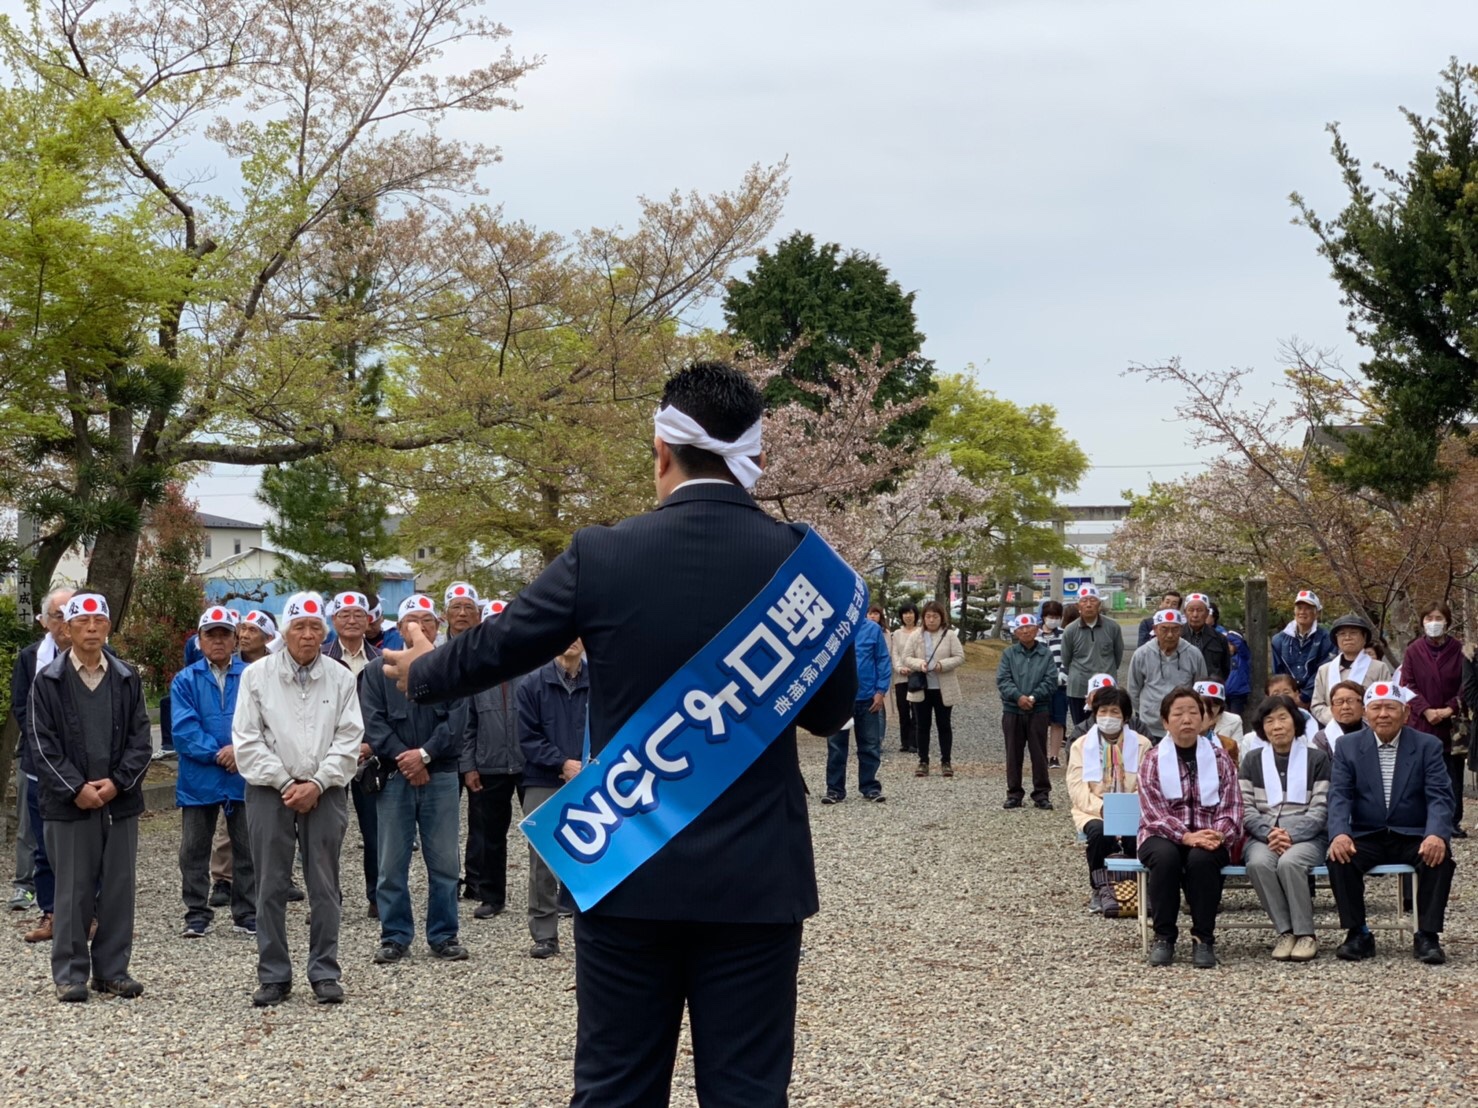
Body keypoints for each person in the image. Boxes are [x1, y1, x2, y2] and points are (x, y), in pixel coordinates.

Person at [383, 361, 857, 1105]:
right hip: (757, 877)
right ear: (754, 454)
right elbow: (829, 715)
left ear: (661, 450)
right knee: (748, 1093)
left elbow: (503, 644)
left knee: (616, 1088)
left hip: (626, 858)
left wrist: (423, 670)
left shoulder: (603, 554)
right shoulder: (805, 569)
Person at [233, 591, 362, 1006]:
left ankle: (324, 971)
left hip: (326, 790)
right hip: (269, 790)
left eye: (315, 627)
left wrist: (318, 783)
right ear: (284, 632)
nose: (307, 635)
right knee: (270, 883)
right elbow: (247, 739)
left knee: (324, 884)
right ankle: (274, 974)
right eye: (299, 627)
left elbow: (349, 738)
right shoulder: (257, 675)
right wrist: (285, 781)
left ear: (324, 632)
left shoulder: (340, 677)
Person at [29, 592, 151, 1002]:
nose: (92, 628)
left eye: (99, 620)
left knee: (118, 887)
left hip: (119, 799)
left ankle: (112, 970)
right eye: (83, 621)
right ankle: (70, 973)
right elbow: (41, 743)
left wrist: (117, 783)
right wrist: (75, 788)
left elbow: (141, 740)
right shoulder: (48, 680)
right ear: (67, 628)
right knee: (72, 890)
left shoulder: (127, 677)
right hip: (69, 804)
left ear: (109, 626)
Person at [361, 594, 467, 965]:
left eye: (428, 621)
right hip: (394, 776)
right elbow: (373, 722)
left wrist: (424, 755)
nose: (421, 627)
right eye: (413, 621)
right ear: (400, 627)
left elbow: (457, 721)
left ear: (438, 626)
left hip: (440, 774)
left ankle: (444, 934)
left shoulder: (452, 668)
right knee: (391, 863)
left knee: (445, 863)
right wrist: (406, 759)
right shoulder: (377, 671)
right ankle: (394, 935)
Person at [1326, 682, 1455, 964]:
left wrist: (1436, 834)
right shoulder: (1347, 746)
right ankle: (1358, 933)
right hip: (1368, 834)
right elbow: (1339, 796)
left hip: (1412, 834)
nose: (1383, 714)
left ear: (1406, 713)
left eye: (1390, 708)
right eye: (1376, 708)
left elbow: (1440, 797)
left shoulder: (1427, 746)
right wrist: (1339, 833)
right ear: (1366, 713)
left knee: (1439, 857)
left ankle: (1427, 935)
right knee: (1339, 857)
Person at [1136, 687, 1243, 968]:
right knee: (1165, 857)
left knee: (1202, 859)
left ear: (1205, 719)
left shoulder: (1220, 758)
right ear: (1165, 721)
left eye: (1194, 712)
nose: (1187, 719)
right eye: (1178, 714)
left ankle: (1203, 938)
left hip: (1209, 833)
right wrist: (1185, 836)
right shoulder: (1153, 759)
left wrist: (1219, 833)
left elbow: (1232, 806)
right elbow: (1153, 811)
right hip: (1162, 834)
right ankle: (1164, 937)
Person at [172, 606, 256, 938]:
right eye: (211, 634)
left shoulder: (253, 675)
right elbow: (183, 730)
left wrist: (241, 751)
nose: (218, 641)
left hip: (244, 773)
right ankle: (196, 913)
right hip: (199, 776)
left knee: (248, 847)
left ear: (236, 639)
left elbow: (263, 721)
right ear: (199, 639)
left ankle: (247, 912)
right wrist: (220, 754)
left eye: (225, 634)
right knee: (193, 849)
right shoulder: (185, 679)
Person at [1239, 694, 1331, 962]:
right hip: (1263, 836)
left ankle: (1306, 934)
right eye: (1269, 721)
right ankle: (1286, 931)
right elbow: (1245, 807)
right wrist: (1269, 833)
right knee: (1258, 863)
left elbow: (1320, 809)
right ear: (1262, 727)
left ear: (1296, 722)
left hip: (1308, 837)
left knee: (1290, 863)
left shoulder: (1317, 759)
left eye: (1283, 718)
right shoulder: (1252, 760)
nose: (1277, 726)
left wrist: (1291, 835)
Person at [516, 639, 590, 959]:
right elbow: (526, 737)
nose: (571, 641)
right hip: (543, 778)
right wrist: (561, 763)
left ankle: (592, 932)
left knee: (592, 853)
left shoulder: (600, 681)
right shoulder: (532, 684)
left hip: (590, 778)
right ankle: (544, 934)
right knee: (542, 859)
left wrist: (588, 764)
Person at [10, 586, 72, 942]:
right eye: (57, 616)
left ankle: (90, 912)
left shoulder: (103, 656)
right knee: (44, 842)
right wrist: (44, 742)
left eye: (70, 614)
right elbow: (21, 706)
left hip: (85, 764)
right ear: (45, 621)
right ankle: (50, 912)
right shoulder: (30, 657)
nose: (65, 623)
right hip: (39, 760)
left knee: (89, 843)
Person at [458, 601, 526, 920]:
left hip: (529, 764)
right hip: (489, 765)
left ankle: (555, 894)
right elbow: (468, 725)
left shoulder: (532, 667)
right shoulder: (477, 673)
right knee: (490, 835)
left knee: (543, 831)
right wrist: (469, 765)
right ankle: (491, 895)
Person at [1066, 688, 1150, 916]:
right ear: (1095, 713)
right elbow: (1076, 787)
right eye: (1103, 711)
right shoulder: (1081, 745)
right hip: (1093, 808)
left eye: (1115, 712)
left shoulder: (1142, 744)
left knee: (1137, 835)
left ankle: (1138, 886)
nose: (1108, 717)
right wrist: (1102, 808)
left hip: (1133, 807)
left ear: (1125, 716)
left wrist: (1125, 810)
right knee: (1099, 833)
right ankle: (1099, 886)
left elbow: (1146, 783)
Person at [324, 589, 382, 917]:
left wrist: (371, 743)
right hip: (329, 756)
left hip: (370, 756)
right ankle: (327, 896)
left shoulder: (381, 659)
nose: (351, 620)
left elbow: (387, 709)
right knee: (327, 832)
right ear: (334, 620)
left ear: (369, 620)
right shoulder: (321, 657)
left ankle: (378, 896)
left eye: (358, 614)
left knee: (375, 831)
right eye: (344, 614)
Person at [1399, 602, 1467, 837]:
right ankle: (1421, 817)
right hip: (1422, 721)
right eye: (1429, 618)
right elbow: (1407, 684)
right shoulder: (1413, 650)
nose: (1434, 623)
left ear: (1447, 621)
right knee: (1420, 769)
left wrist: (1450, 708)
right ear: (1422, 622)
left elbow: (1466, 684)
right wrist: (1426, 709)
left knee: (1453, 772)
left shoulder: (1460, 650)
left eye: (1438, 618)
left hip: (1452, 723)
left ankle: (1453, 820)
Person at [824, 604, 891, 804]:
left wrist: (881, 691)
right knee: (836, 747)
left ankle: (870, 787)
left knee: (870, 745)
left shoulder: (872, 628)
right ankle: (834, 789)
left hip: (867, 697)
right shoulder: (831, 627)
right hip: (838, 699)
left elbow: (882, 659)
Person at [997, 612, 1056, 810]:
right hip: (1012, 709)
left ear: (1037, 629)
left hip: (1038, 709)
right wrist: (1018, 697)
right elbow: (1003, 679)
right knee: (1013, 753)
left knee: (1039, 753)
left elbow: (1050, 680)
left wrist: (1033, 697)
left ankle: (1041, 793)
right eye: (1020, 628)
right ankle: (1014, 793)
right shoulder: (1009, 653)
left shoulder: (1046, 654)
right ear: (1015, 632)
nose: (1025, 631)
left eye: (1029, 627)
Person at [904, 599, 965, 777]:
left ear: (941, 617)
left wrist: (942, 665)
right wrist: (919, 664)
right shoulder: (916, 635)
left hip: (943, 687)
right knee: (922, 725)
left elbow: (959, 656)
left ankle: (946, 761)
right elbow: (906, 657)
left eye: (935, 616)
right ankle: (923, 761)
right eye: (928, 616)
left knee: (944, 725)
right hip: (921, 686)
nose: (931, 620)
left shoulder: (949, 635)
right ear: (923, 618)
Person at [1126, 609, 1207, 742]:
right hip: (1149, 725)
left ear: (1181, 630)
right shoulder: (1141, 654)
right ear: (1155, 629)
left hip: (1183, 725)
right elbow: (1133, 689)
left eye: (1175, 629)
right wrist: (1146, 710)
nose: (1170, 635)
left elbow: (1200, 690)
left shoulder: (1194, 654)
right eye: (1164, 629)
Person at [1310, 614, 1394, 725]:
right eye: (1342, 634)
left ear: (1364, 637)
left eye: (1353, 633)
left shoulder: (1379, 668)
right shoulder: (1324, 670)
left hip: (1368, 727)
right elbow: (1317, 704)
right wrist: (1337, 717)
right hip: (1332, 727)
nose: (1347, 637)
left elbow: (1386, 701)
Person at [1060, 584, 1124, 727]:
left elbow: (1118, 655)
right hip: (1079, 688)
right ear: (1078, 605)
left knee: (1108, 726)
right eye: (1084, 601)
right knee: (1081, 728)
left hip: (1107, 687)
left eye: (1093, 600)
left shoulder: (1113, 627)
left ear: (1099, 604)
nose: (1088, 604)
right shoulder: (1070, 630)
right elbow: (1066, 659)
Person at [1272, 589, 1334, 708]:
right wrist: (1288, 696)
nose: (1302, 612)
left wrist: (1305, 696)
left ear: (1317, 613)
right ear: (1294, 611)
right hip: (1288, 700)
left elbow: (1324, 669)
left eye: (1308, 608)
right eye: (1299, 608)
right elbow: (1278, 672)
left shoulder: (1327, 638)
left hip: (1318, 697)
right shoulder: (1278, 640)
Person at [1040, 600, 1069, 768]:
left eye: (1057, 617)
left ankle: (1054, 756)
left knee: (1058, 721)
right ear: (1044, 617)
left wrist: (1063, 675)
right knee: (1040, 722)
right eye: (1051, 616)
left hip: (1060, 685)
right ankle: (1041, 755)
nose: (1054, 620)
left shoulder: (1065, 634)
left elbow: (1068, 658)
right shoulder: (1035, 634)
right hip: (1039, 686)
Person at [891, 602, 920, 753]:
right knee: (903, 710)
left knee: (916, 709)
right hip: (900, 676)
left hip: (917, 675)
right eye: (905, 613)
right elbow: (894, 653)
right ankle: (905, 742)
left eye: (911, 613)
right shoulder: (896, 634)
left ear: (916, 615)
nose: (908, 616)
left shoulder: (921, 632)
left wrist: (914, 667)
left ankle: (915, 741)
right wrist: (899, 668)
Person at [1181, 593, 1230, 682]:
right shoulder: (1177, 636)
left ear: (1207, 613)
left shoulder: (1219, 638)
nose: (1195, 615)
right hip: (1184, 687)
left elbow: (1225, 668)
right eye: (1191, 610)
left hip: (1210, 687)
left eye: (1200, 610)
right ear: (1185, 612)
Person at [1195, 680, 1243, 750]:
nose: (1209, 710)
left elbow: (1238, 752)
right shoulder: (1187, 719)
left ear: (1221, 706)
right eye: (1203, 705)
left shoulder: (1234, 721)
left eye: (1214, 706)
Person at [1322, 679, 1367, 751]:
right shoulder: (1322, 739)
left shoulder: (1374, 734)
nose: (1345, 707)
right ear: (1332, 709)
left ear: (1363, 708)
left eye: (1350, 701)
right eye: (1339, 702)